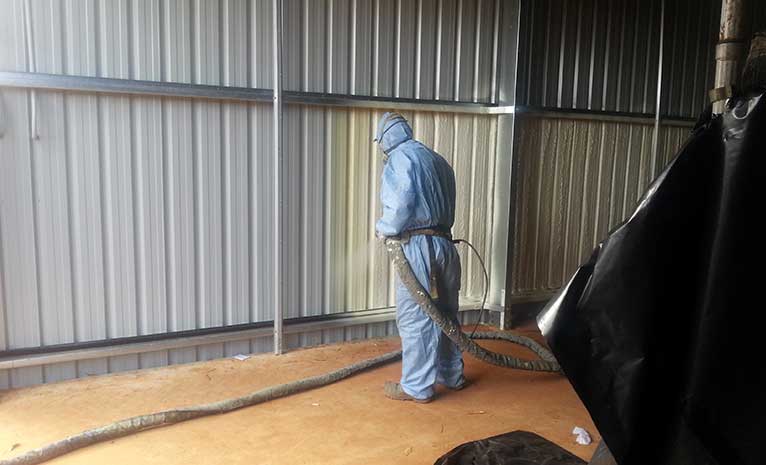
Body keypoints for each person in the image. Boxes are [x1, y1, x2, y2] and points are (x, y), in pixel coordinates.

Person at [374, 112, 466, 403]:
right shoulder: (439, 161)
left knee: (417, 318)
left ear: (385, 138)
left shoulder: (401, 158)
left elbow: (401, 202)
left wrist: (384, 228)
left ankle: (417, 387)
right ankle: (452, 376)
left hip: (418, 247)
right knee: (446, 314)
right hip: (445, 245)